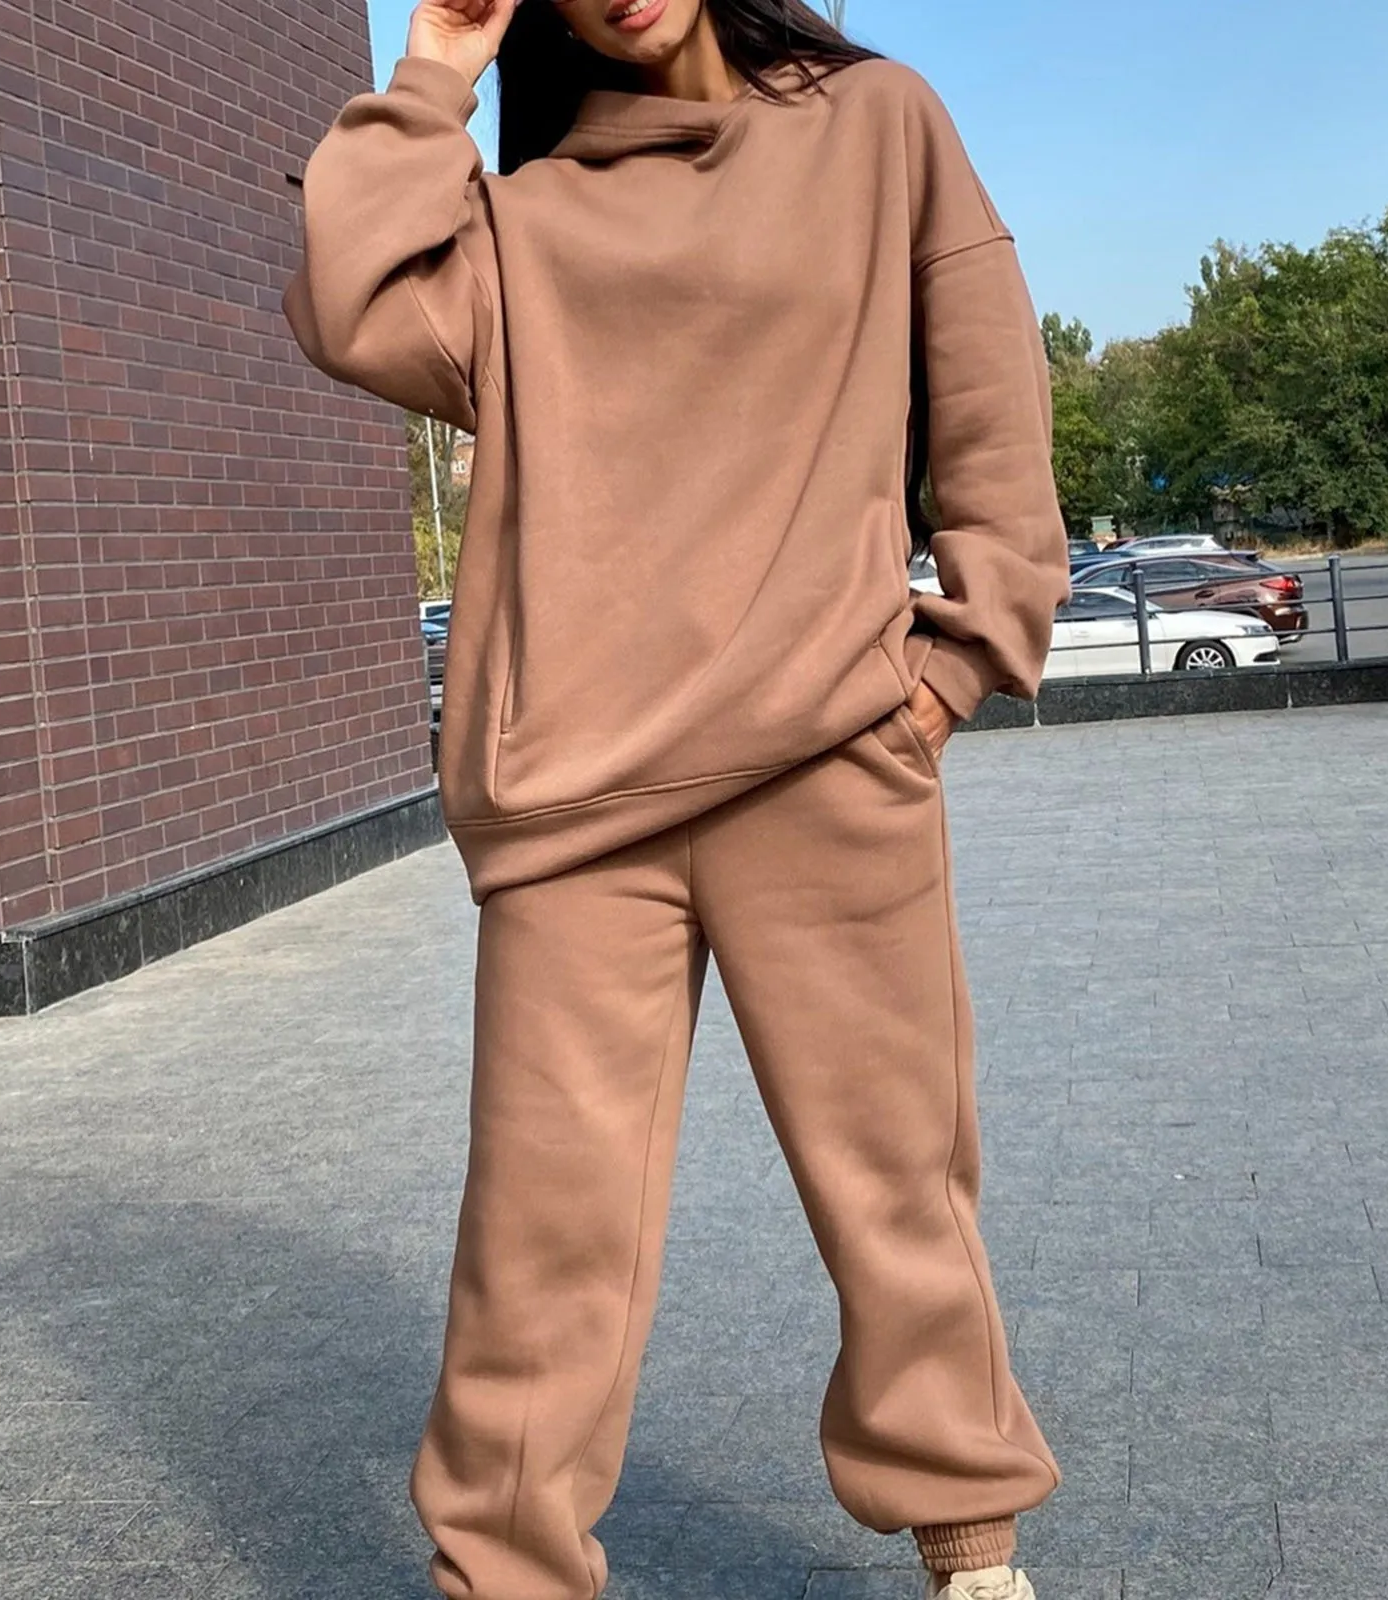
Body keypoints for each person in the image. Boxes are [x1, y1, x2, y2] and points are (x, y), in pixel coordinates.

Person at [284, 0, 1071, 1594]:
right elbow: (349, 300)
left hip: (829, 762)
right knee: (541, 1240)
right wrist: (435, 69)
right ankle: (506, 1576)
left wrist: (964, 656)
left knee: (899, 1192)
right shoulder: (523, 225)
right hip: (577, 805)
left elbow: (987, 391)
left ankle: (973, 1550)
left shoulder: (877, 125)